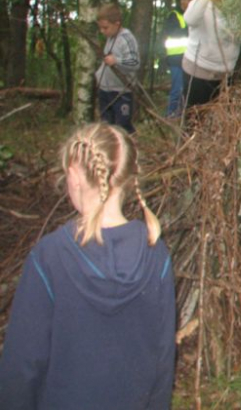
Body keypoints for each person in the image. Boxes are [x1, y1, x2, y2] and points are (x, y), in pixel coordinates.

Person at [0, 123, 176, 409]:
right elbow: (163, 360)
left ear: (73, 176)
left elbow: (22, 366)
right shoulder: (157, 255)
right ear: (131, 178)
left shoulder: (50, 257)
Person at [182, 0, 240, 111]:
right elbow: (190, 18)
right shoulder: (201, 3)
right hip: (198, 74)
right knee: (194, 120)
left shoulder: (237, 4)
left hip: (225, 76)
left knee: (219, 123)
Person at [94, 3, 140, 134]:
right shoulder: (110, 38)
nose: (102, 31)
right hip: (106, 90)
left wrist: (117, 61)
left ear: (117, 24)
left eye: (105, 28)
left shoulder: (126, 38)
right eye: (100, 28)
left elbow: (135, 62)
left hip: (121, 92)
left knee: (122, 127)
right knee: (107, 127)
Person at [162, 0, 194, 117]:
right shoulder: (174, 15)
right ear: (182, 0)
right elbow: (173, 33)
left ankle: (183, 113)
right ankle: (171, 114)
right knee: (177, 88)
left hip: (189, 58)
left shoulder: (192, 15)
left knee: (188, 88)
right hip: (176, 59)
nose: (191, 2)